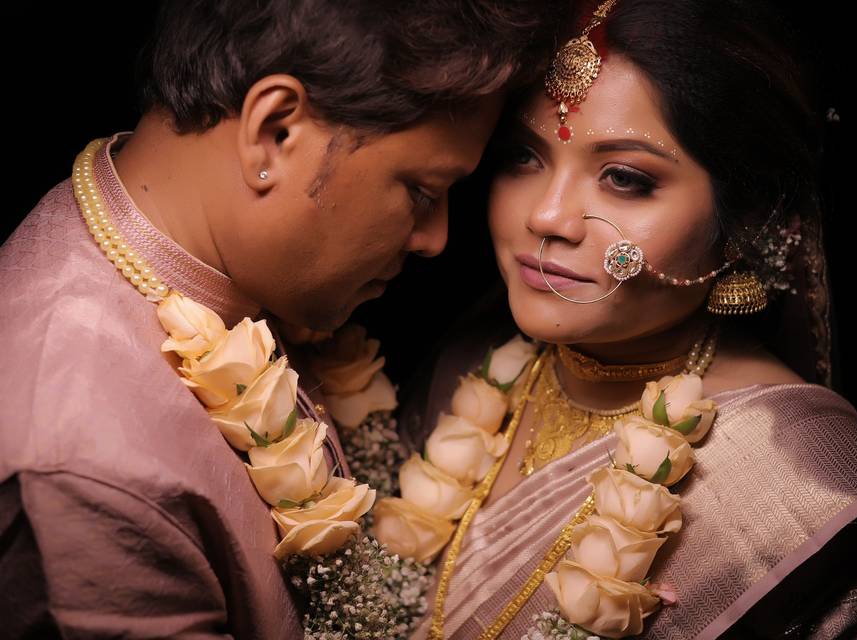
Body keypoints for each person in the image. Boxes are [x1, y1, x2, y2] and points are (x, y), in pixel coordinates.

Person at [0, 1, 565, 637]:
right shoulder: (85, 478)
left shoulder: (230, 263)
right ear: (275, 132)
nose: (435, 238)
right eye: (421, 191)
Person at [398, 0, 857, 638]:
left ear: (743, 217)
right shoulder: (467, 365)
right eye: (524, 158)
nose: (547, 217)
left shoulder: (819, 501)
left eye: (624, 178)